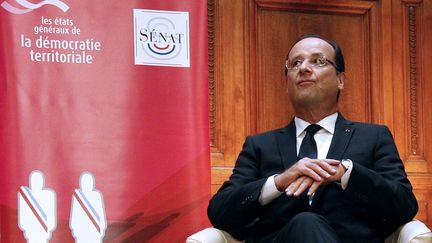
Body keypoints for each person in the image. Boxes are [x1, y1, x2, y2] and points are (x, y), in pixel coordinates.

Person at [207, 35, 418, 242]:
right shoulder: (260, 145)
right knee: (305, 222)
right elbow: (220, 212)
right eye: (295, 63)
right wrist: (278, 182)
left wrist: (347, 174)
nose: (304, 68)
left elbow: (404, 207)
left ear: (340, 80)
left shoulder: (374, 137)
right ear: (286, 83)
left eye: (318, 61)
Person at [18, 170, 57, 243]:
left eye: (38, 180)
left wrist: (48, 228)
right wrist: (27, 228)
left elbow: (51, 216)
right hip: (30, 233)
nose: (36, 183)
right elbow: (23, 217)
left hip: (44, 233)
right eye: (34, 180)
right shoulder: (25, 195)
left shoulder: (49, 195)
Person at [70, 172, 107, 243]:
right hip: (81, 231)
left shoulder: (97, 195)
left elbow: (101, 213)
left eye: (89, 181)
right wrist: (74, 229)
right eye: (85, 181)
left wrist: (102, 228)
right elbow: (74, 214)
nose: (87, 184)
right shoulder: (78, 195)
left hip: (95, 230)